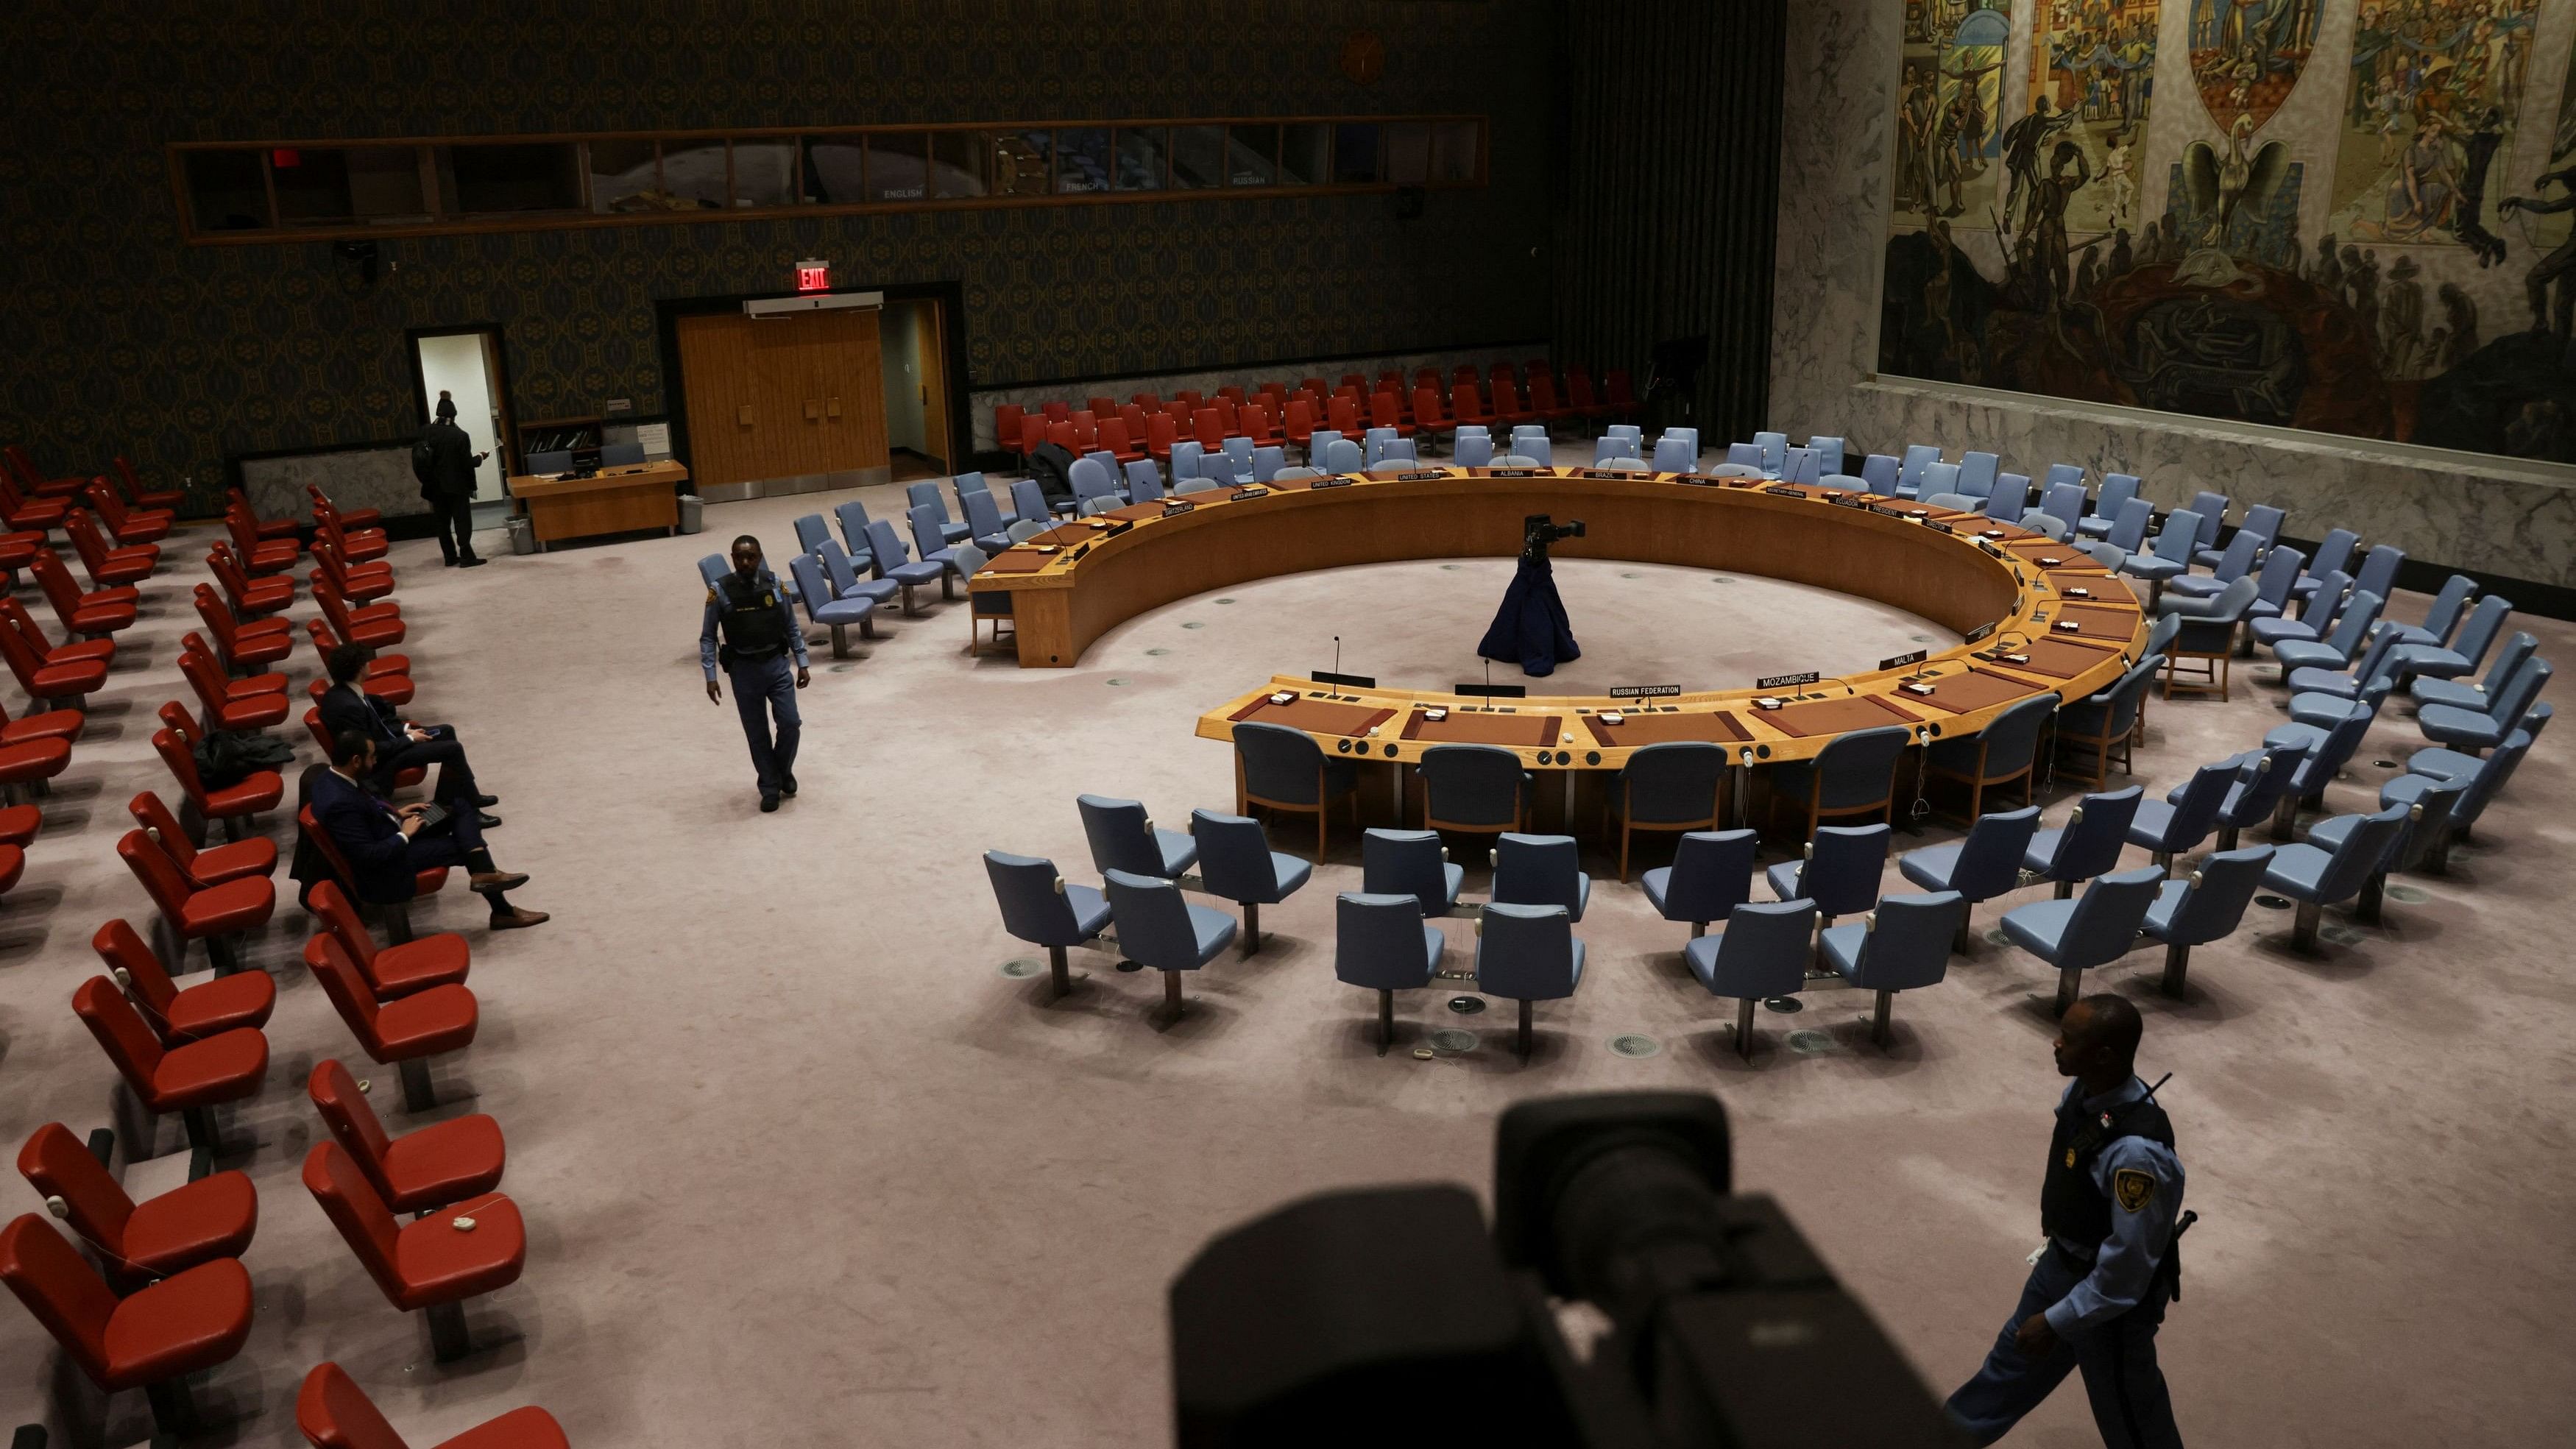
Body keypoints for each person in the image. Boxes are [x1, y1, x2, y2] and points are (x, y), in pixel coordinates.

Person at [1945, 996, 2187, 1448]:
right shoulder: (2081, 1093)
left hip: (2111, 1308)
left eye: (2069, 1039)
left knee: (2134, 1422)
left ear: (2104, 1056)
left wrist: (2058, 1321)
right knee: (2002, 1377)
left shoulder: (2138, 1156)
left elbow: (2126, 1272)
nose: (2055, 1044)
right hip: (2061, 1264)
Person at [311, 731, 547, 930]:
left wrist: (395, 811)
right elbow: (367, 855)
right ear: (355, 760)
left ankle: (485, 873)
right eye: (372, 757)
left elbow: (367, 810)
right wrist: (405, 834)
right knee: (462, 846)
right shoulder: (339, 804)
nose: (375, 762)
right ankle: (500, 906)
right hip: (391, 862)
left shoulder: (332, 777)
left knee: (457, 805)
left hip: (393, 827)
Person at [317, 642, 498, 823]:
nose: (370, 663)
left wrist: (405, 730)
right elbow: (370, 749)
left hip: (387, 742)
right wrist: (410, 739)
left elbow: (378, 724)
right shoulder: (348, 706)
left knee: (446, 731)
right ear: (360, 668)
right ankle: (471, 813)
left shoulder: (346, 690)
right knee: (453, 749)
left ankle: (468, 795)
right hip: (381, 761)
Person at [700, 534, 809, 812]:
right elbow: (708, 636)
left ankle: (782, 770)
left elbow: (791, 625)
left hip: (776, 665)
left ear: (759, 557)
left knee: (791, 724)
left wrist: (803, 661)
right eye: (739, 557)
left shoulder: (775, 585)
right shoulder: (720, 590)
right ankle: (770, 787)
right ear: (733, 558)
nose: (745, 562)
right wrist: (711, 676)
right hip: (744, 670)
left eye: (751, 556)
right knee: (757, 733)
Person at [415, 391, 488, 567]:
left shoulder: (425, 431)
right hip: (456, 486)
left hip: (434, 486)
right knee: (462, 520)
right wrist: (480, 457)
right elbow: (467, 464)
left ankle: (449, 557)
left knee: (442, 523)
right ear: (454, 415)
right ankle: (466, 556)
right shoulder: (460, 436)